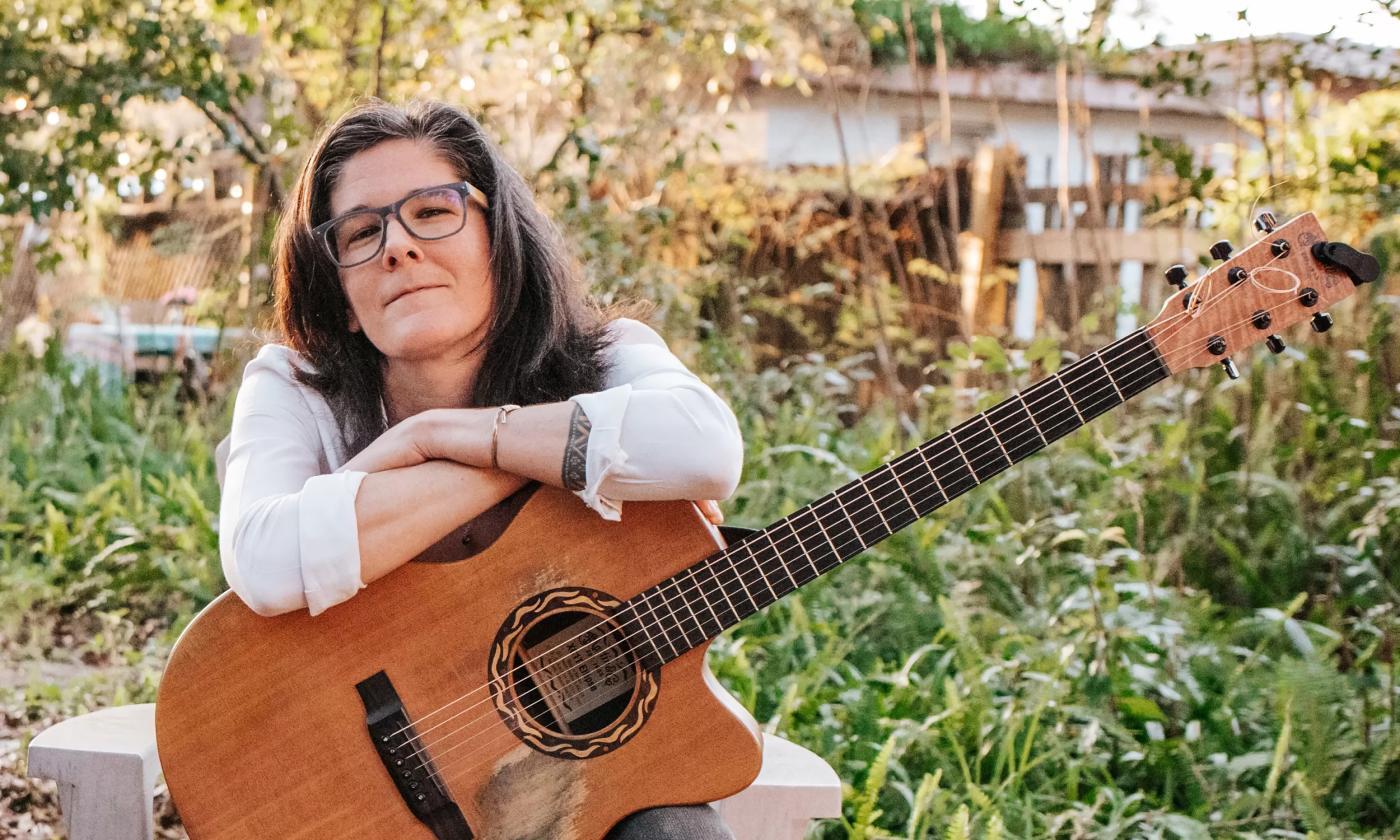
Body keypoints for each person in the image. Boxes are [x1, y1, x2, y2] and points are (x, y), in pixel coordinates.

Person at [216, 99, 744, 840]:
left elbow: (704, 447)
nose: (397, 246)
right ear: (339, 298)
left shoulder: (609, 353)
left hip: (573, 779)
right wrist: (554, 462)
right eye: (362, 233)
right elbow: (266, 558)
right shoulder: (294, 385)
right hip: (352, 789)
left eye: (433, 212)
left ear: (500, 241)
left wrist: (442, 436)